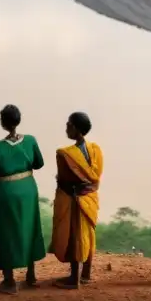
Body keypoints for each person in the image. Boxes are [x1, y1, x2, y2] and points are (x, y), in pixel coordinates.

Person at [0, 104, 47, 295]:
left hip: (5, 192)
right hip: (27, 188)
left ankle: (9, 281)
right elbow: (39, 163)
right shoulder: (31, 141)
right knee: (29, 227)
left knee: (6, 232)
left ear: (2, 123)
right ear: (19, 120)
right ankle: (31, 275)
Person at [49, 112, 104, 289]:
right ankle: (86, 273)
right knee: (88, 234)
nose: (66, 127)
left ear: (75, 128)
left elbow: (64, 179)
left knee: (75, 236)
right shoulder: (96, 150)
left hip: (74, 199)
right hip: (90, 198)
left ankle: (74, 279)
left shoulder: (64, 154)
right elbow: (95, 178)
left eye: (68, 124)